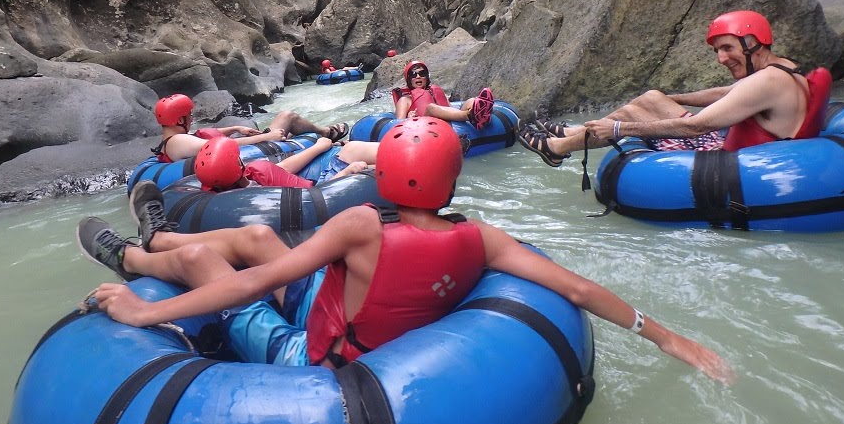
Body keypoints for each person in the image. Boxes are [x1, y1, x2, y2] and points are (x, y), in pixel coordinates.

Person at [78, 117, 734, 383]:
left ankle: (133, 259)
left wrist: (145, 314)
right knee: (252, 237)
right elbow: (580, 291)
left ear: (385, 172)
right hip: (344, 319)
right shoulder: (481, 238)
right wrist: (667, 337)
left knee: (207, 262)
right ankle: (149, 243)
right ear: (450, 178)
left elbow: (249, 286)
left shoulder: (360, 225)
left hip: (314, 357)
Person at [517, 10, 833, 166]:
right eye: (717, 51)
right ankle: (573, 132)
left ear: (751, 43)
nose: (721, 58)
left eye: (727, 48)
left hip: (729, 162)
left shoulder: (768, 80)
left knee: (632, 113)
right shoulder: (783, 69)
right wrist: (670, 98)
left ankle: (559, 148)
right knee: (652, 98)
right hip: (733, 150)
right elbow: (727, 93)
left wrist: (617, 128)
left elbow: (697, 127)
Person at [152, 93, 350, 163]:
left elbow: (206, 136)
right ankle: (325, 134)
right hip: (245, 154)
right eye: (189, 116)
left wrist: (237, 127)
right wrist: (265, 137)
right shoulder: (178, 142)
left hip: (248, 150)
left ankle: (324, 134)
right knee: (287, 116)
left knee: (286, 116)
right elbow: (219, 147)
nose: (192, 119)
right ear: (179, 120)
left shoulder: (176, 137)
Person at [193, 134, 377, 193]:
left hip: (314, 188)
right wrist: (346, 173)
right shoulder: (259, 183)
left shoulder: (249, 180)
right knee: (353, 149)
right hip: (325, 186)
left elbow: (283, 169)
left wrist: (319, 147)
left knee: (353, 152)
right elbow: (316, 198)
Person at [393, 60, 496, 130]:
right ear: (409, 79)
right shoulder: (405, 100)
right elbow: (397, 124)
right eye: (413, 74)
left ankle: (482, 114)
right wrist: (408, 118)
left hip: (447, 123)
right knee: (431, 108)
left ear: (426, 77)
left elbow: (450, 109)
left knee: (471, 101)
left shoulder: (435, 91)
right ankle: (471, 116)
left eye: (422, 73)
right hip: (424, 126)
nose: (418, 77)